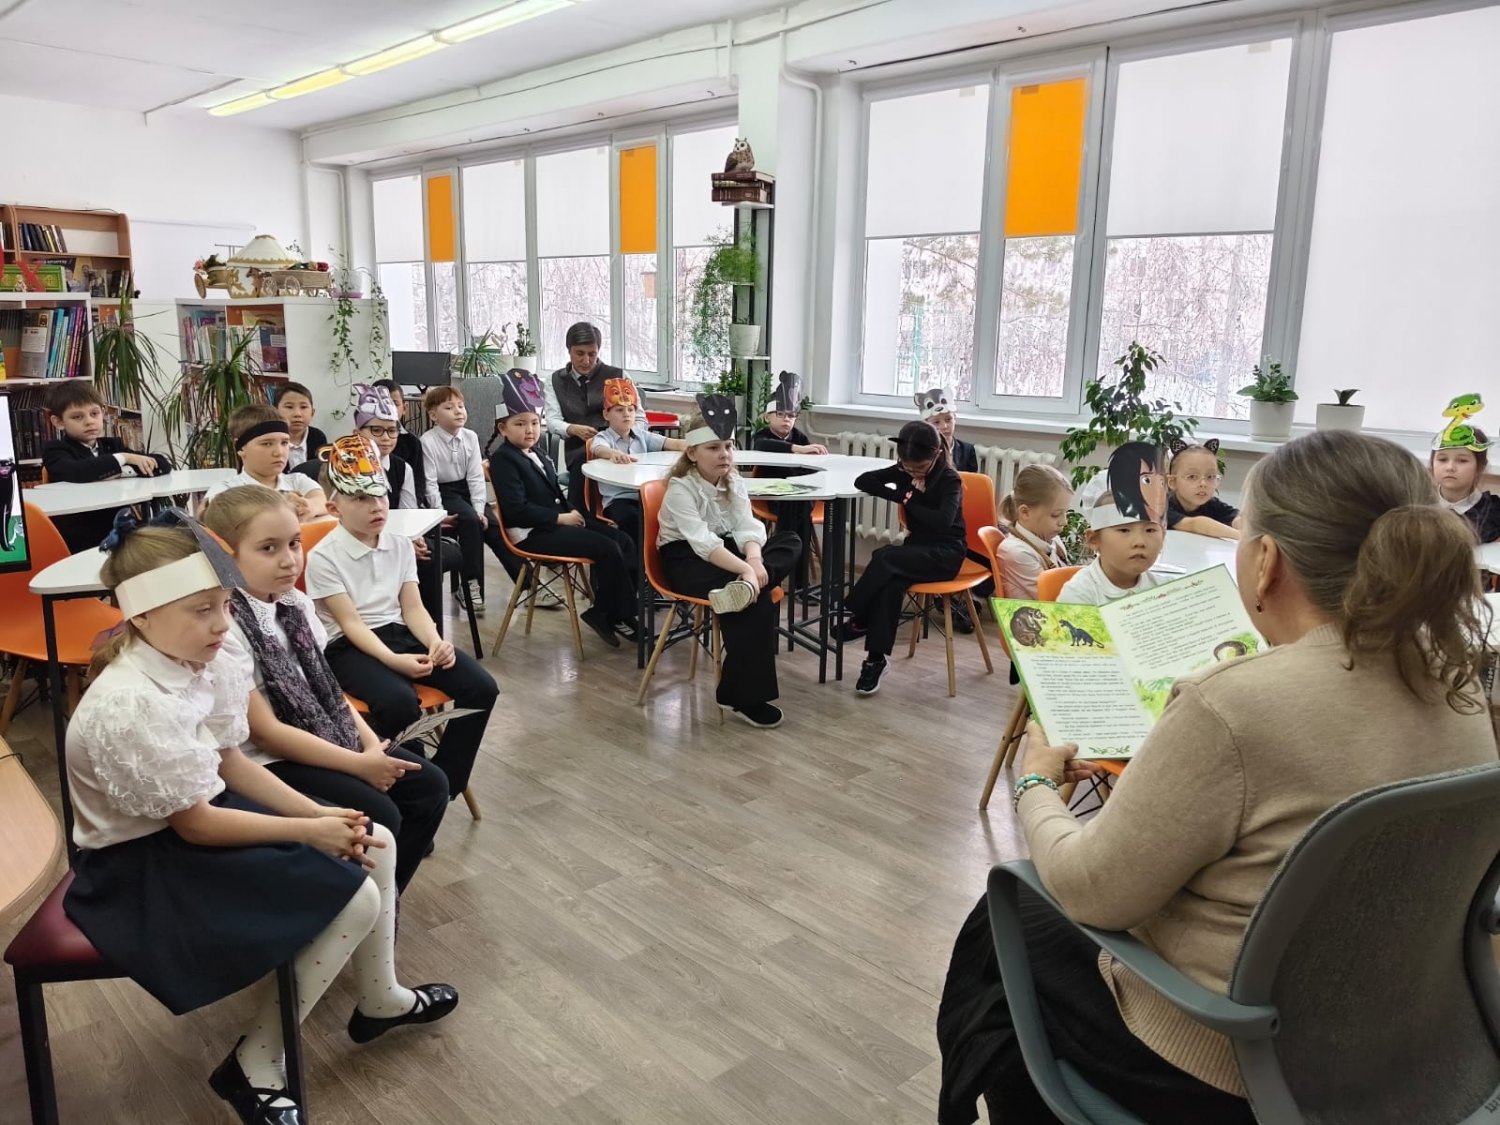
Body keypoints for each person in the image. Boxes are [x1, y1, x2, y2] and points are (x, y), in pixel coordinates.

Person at [936, 430, 1498, 1125]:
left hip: (1236, 1060)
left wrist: (1036, 784)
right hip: (1412, 1042)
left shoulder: (1233, 704)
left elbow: (1089, 890)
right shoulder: (1459, 688)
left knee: (1002, 926)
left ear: (1267, 561)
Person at [62, 510, 457, 1125]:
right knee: (353, 896)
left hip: (199, 818)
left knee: (372, 838)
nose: (222, 623)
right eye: (201, 610)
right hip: (139, 862)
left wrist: (326, 816)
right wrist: (308, 829)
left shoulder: (203, 658)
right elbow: (195, 825)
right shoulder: (131, 702)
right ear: (141, 615)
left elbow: (231, 762)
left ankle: (381, 998)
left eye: (225, 604)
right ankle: (254, 1063)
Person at [203, 485, 448, 892]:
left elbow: (328, 689)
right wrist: (357, 764)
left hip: (321, 731)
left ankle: (384, 896)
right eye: (268, 548)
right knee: (379, 813)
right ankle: (351, 901)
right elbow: (266, 733)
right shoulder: (226, 628)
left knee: (430, 787)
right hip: (268, 758)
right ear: (226, 557)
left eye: (294, 543)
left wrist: (370, 746)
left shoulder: (295, 604)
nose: (289, 560)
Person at [306, 438, 498, 801]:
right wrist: (394, 661)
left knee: (481, 687)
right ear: (334, 507)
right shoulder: (323, 557)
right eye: (360, 498)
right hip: (347, 647)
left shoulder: (398, 544)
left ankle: (444, 782)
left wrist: (435, 641)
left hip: (398, 633)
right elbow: (351, 624)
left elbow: (413, 608)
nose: (376, 506)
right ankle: (411, 789)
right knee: (397, 702)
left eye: (380, 495)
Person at [657, 395, 800, 729]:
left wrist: (754, 560)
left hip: (728, 553)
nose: (724, 454)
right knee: (758, 600)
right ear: (692, 453)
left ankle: (744, 589)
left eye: (728, 446)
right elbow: (702, 543)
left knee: (790, 539)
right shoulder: (680, 488)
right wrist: (748, 570)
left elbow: (746, 525)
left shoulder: (733, 481)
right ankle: (742, 695)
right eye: (714, 448)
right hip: (685, 559)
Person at [490, 370, 639, 648]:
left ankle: (613, 611)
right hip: (533, 532)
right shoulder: (504, 460)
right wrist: (561, 518)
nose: (529, 430)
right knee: (607, 548)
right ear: (503, 429)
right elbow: (516, 510)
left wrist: (574, 513)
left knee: (623, 540)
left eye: (534, 423)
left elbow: (555, 494)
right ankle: (613, 614)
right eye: (520, 424)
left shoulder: (538, 452)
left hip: (557, 520)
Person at [840, 420, 967, 697]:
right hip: (916, 550)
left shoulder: (949, 479)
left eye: (918, 468)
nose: (912, 472)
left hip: (946, 553)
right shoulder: (904, 470)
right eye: (907, 468)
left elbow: (942, 522)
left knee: (884, 556)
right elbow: (864, 481)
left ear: (936, 455)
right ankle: (875, 660)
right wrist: (901, 493)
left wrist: (910, 500)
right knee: (890, 584)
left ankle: (858, 616)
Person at [356, 384, 461, 624]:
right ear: (357, 432)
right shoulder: (348, 467)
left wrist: (414, 539)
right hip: (362, 542)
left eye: (391, 431)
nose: (385, 438)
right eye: (376, 430)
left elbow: (408, 514)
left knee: (427, 559)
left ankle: (428, 632)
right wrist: (399, 545)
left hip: (397, 539)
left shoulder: (403, 468)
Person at [418, 384, 522, 613]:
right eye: (449, 407)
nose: (458, 411)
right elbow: (430, 483)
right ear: (434, 415)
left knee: (493, 526)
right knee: (470, 521)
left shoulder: (471, 436)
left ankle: (527, 583)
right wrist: (439, 513)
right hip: (445, 492)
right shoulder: (427, 441)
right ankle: (470, 586)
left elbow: (476, 476)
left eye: (461, 406)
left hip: (467, 489)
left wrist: (478, 508)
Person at [41, 381, 172, 551]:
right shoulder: (55, 450)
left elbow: (161, 464)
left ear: (102, 412)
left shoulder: (112, 445)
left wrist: (121, 470)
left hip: (119, 528)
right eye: (77, 417)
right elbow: (79, 472)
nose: (89, 422)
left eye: (94, 413)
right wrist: (125, 458)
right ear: (58, 422)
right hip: (79, 534)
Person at [1058, 443, 1169, 605]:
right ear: (1094, 539)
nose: (1139, 542)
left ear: (1163, 537)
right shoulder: (1077, 596)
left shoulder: (1166, 590)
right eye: (1124, 530)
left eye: (1150, 530)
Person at [542, 321, 636, 511]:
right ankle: (579, 518)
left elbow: (639, 416)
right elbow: (551, 420)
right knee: (583, 469)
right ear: (569, 350)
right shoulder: (554, 380)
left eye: (592, 354)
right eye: (580, 354)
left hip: (621, 446)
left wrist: (630, 437)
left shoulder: (619, 376)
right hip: (579, 452)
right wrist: (571, 429)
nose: (586, 361)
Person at [590, 375, 686, 551]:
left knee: (672, 512)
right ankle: (637, 562)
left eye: (631, 410)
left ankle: (660, 557)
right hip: (619, 500)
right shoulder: (604, 437)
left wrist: (697, 445)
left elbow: (672, 443)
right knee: (633, 520)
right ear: (606, 414)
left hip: (644, 496)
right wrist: (613, 453)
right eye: (619, 410)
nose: (626, 414)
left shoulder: (642, 435)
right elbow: (597, 448)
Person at [753, 370, 827, 587]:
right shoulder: (762, 436)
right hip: (773, 496)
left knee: (800, 508)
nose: (786, 419)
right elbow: (762, 446)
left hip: (801, 496)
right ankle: (792, 574)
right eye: (780, 414)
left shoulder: (800, 436)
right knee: (794, 509)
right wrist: (797, 449)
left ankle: (798, 579)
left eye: (791, 415)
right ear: (767, 417)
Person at [204, 404, 328, 520]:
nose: (279, 452)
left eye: (284, 442)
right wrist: (284, 506)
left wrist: (309, 506)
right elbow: (213, 516)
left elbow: (323, 499)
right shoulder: (225, 489)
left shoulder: (297, 481)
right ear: (240, 448)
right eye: (267, 444)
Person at [1430, 393, 1500, 543]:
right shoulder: (1417, 504)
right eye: (1442, 459)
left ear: (1480, 466)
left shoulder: (1493, 512)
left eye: (1462, 460)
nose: (1450, 467)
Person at [996, 464, 1072, 600]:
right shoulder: (1016, 553)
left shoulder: (1053, 539)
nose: (1064, 522)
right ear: (1025, 512)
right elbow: (1057, 599)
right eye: (1056, 515)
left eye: (1065, 513)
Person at [372, 378, 430, 510]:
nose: (386, 409)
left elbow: (418, 482)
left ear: (404, 408)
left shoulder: (412, 443)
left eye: (394, 403)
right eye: (380, 403)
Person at [1166, 439, 1242, 539]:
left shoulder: (1212, 505)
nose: (1203, 484)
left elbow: (1237, 517)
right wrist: (1241, 536)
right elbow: (1196, 524)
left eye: (1210, 477)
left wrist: (1244, 525)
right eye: (1192, 477)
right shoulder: (1162, 506)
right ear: (1172, 482)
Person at [916, 386, 978, 473]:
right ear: (927, 425)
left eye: (948, 419)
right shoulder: (920, 450)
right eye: (936, 422)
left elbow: (972, 479)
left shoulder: (967, 450)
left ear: (954, 419)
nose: (944, 426)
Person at [276, 382, 328, 469]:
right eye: (289, 407)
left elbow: (322, 470)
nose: (297, 414)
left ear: (312, 413)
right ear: (275, 411)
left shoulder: (318, 437)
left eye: (303, 407)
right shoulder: (271, 439)